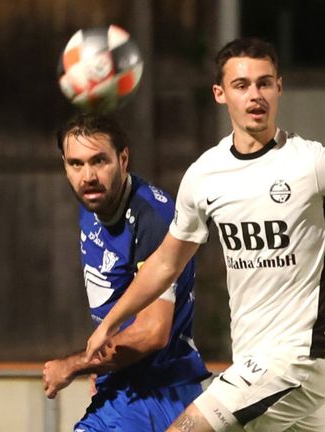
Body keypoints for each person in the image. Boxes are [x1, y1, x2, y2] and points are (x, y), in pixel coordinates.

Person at [84, 37, 325, 432]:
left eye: (264, 83)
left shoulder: (314, 163)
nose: (255, 95)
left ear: (279, 87)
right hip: (253, 359)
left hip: (299, 357)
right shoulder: (205, 174)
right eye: (241, 85)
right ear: (220, 93)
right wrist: (111, 322)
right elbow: (165, 262)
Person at [42, 114, 210, 431]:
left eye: (99, 161)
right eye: (76, 164)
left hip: (155, 393)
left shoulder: (152, 218)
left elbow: (152, 332)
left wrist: (74, 364)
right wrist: (105, 365)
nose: (88, 175)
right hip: (125, 387)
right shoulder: (93, 204)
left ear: (123, 158)